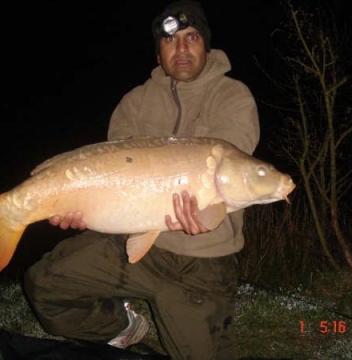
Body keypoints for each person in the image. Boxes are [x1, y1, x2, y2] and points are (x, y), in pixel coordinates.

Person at [24, 1, 260, 359]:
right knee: (44, 286)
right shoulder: (135, 103)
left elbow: (231, 177)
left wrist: (209, 212)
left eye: (191, 37)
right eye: (170, 41)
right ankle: (123, 327)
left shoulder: (233, 97)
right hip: (138, 248)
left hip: (202, 264)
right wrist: (76, 208)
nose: (181, 48)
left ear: (206, 45)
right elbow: (110, 179)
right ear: (159, 51)